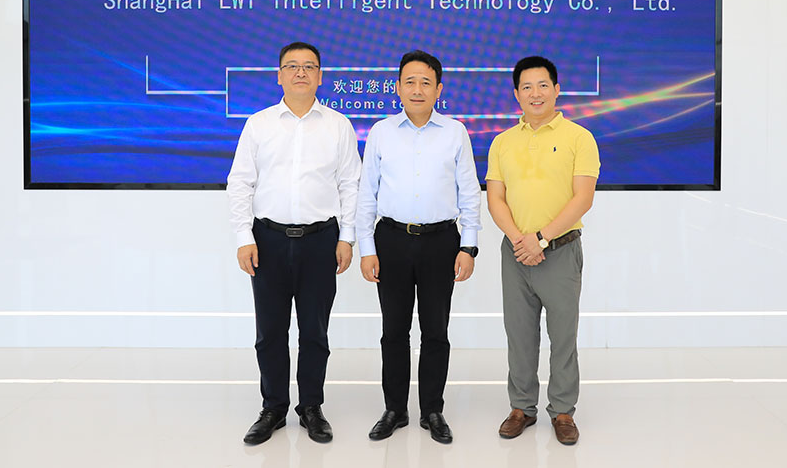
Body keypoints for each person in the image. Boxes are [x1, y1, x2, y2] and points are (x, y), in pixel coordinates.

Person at [227, 41, 361, 445]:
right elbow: (241, 183)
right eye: (292, 66)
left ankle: (311, 407)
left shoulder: (338, 125)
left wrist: (347, 237)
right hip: (267, 240)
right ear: (279, 75)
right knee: (270, 331)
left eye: (309, 66)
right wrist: (244, 237)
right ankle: (273, 408)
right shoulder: (259, 124)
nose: (301, 72)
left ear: (320, 76)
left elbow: (350, 185)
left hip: (321, 241)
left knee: (315, 332)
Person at [356, 50, 481, 445]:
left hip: (441, 242)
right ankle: (395, 409)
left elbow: (469, 192)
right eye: (409, 81)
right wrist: (366, 247)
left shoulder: (455, 132)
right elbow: (366, 193)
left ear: (439, 89)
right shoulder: (381, 132)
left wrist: (469, 246)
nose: (417, 89)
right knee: (393, 330)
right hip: (391, 240)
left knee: (435, 331)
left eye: (426, 82)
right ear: (397, 87)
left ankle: (432, 410)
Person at [485, 56, 599, 446]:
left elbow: (582, 198)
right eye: (527, 87)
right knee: (519, 334)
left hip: (560, 251)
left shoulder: (579, 138)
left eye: (543, 85)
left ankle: (563, 411)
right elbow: (496, 198)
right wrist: (521, 239)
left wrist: (541, 239)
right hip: (516, 252)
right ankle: (521, 408)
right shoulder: (502, 142)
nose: (536, 93)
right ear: (517, 94)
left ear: (557, 90)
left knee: (563, 335)